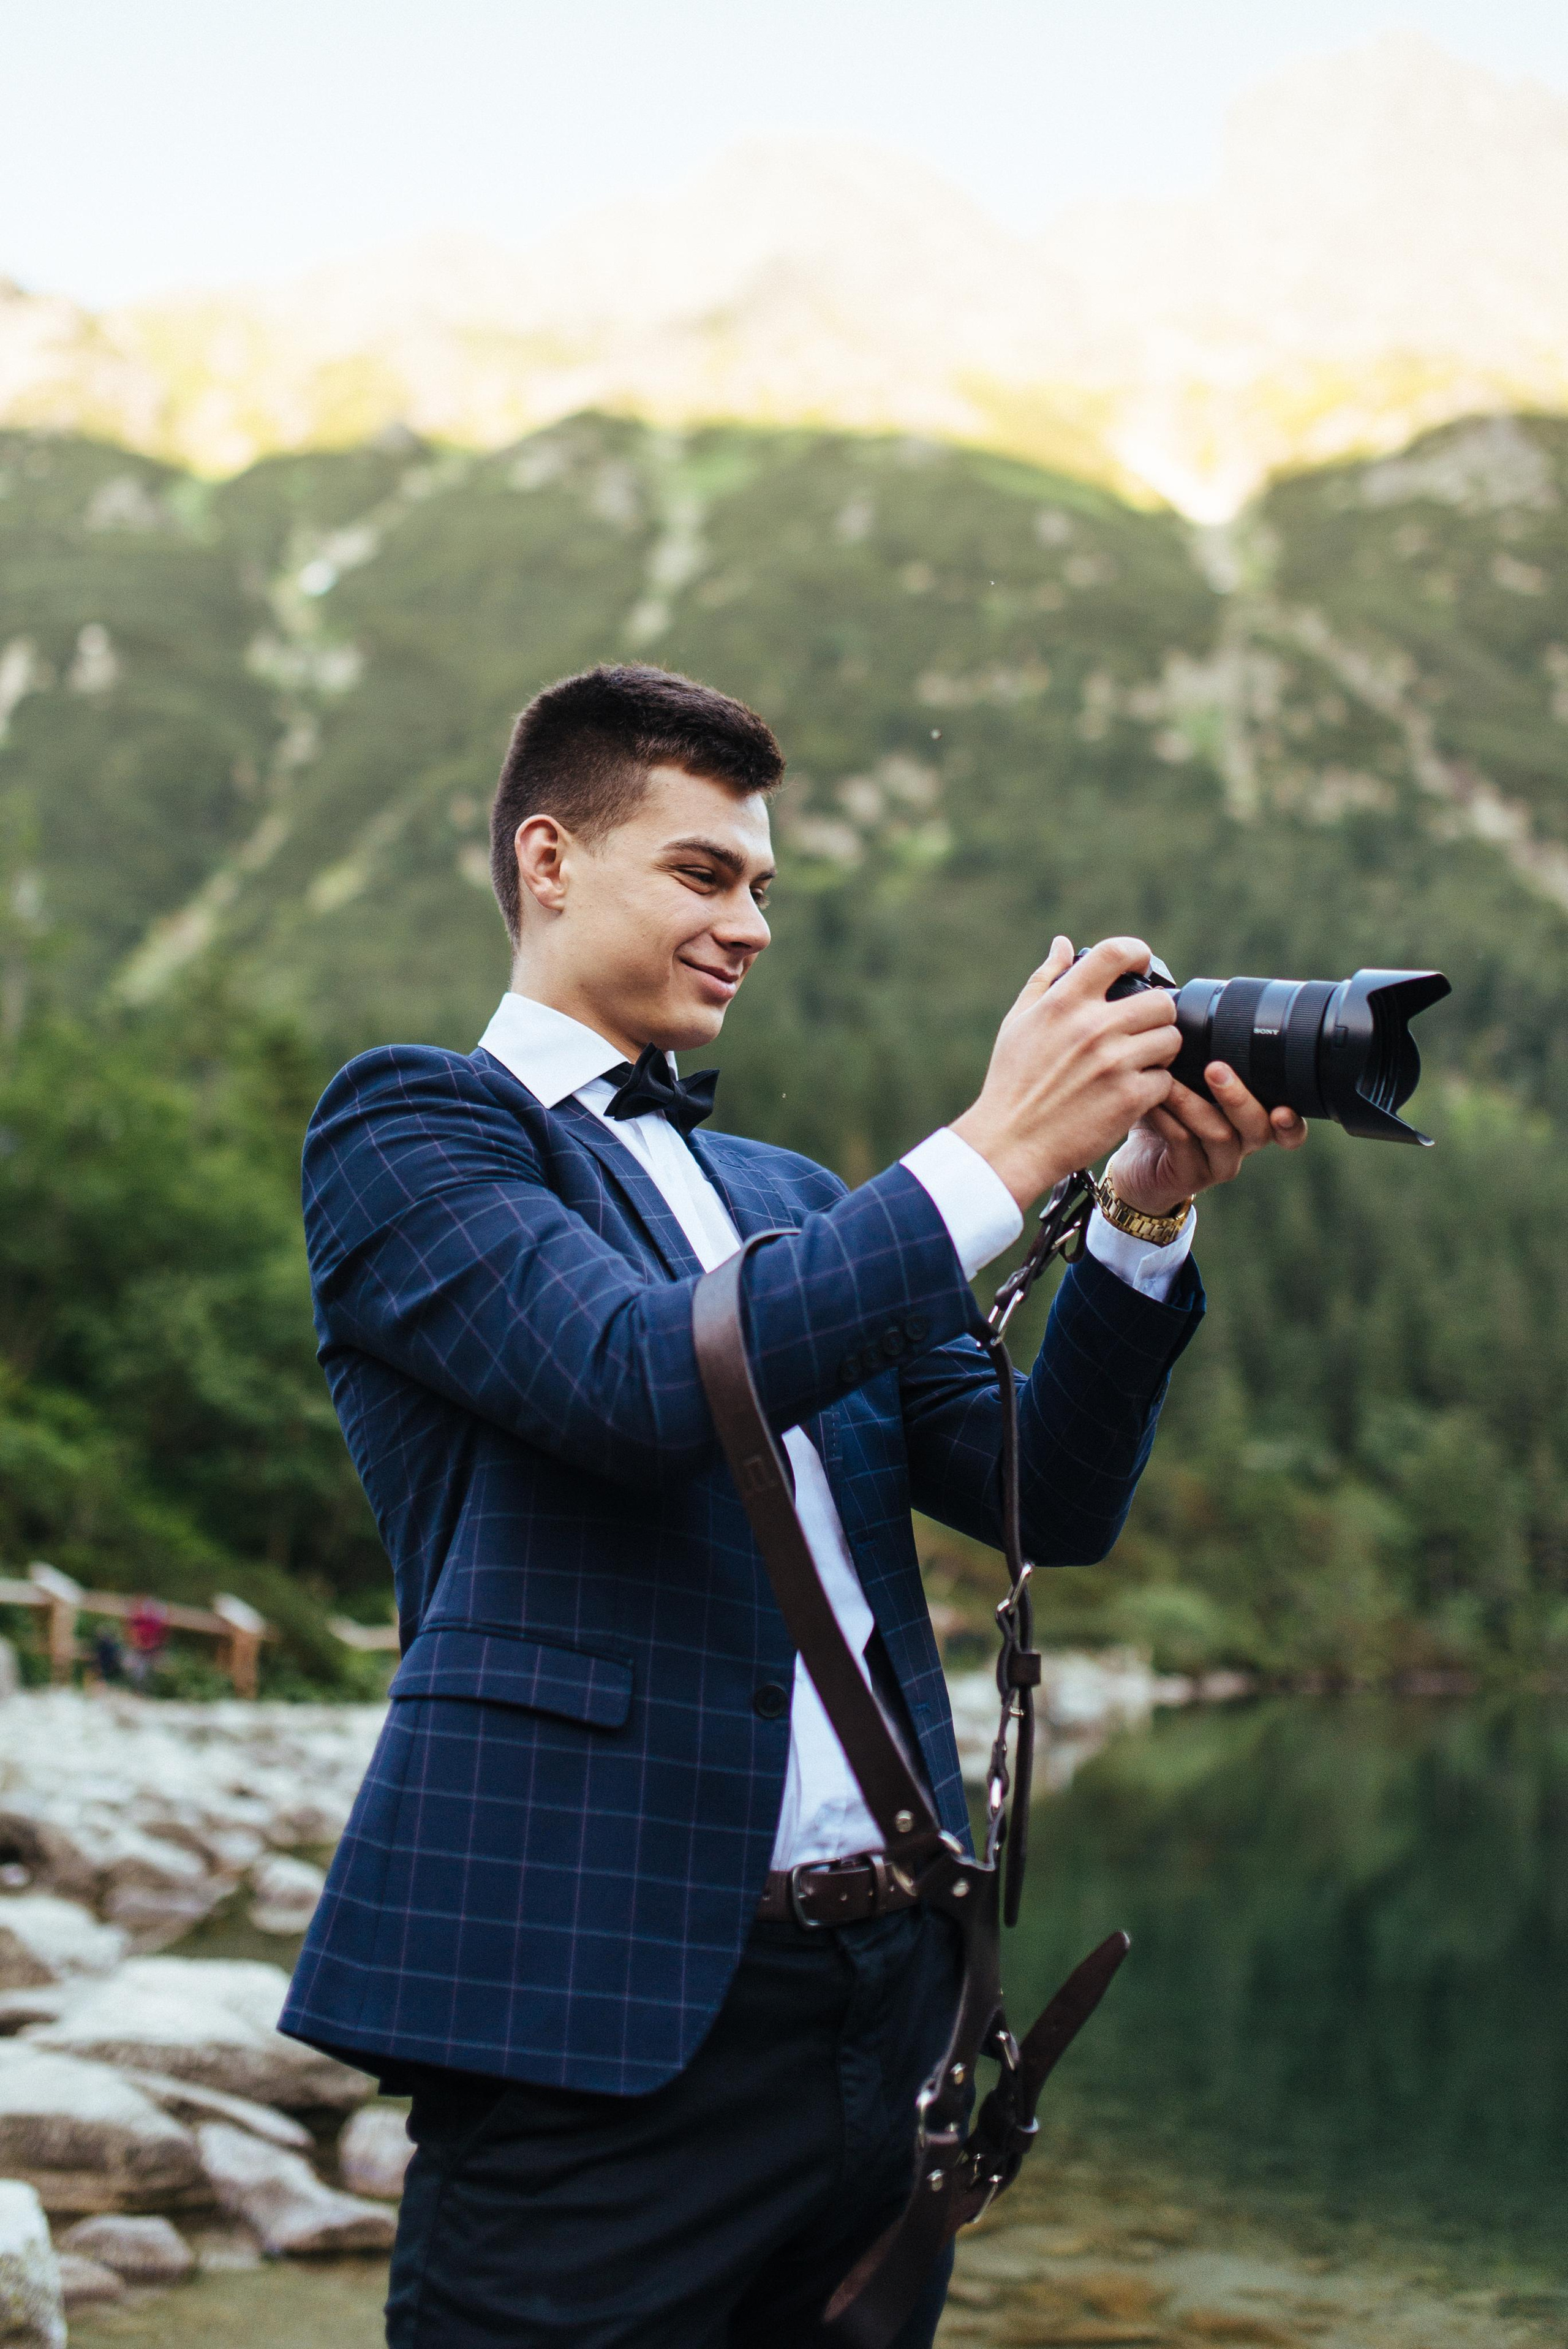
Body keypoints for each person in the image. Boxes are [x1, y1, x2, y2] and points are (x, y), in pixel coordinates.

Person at [281, 665, 1306, 2347]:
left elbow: (1047, 1492)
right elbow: (636, 1380)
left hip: (885, 2002)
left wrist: (1134, 1219)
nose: (749, 923)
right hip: (591, 2005)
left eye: (762, 884)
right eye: (703, 872)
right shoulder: (412, 1127)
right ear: (549, 861)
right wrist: (996, 1147)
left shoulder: (789, 1198)